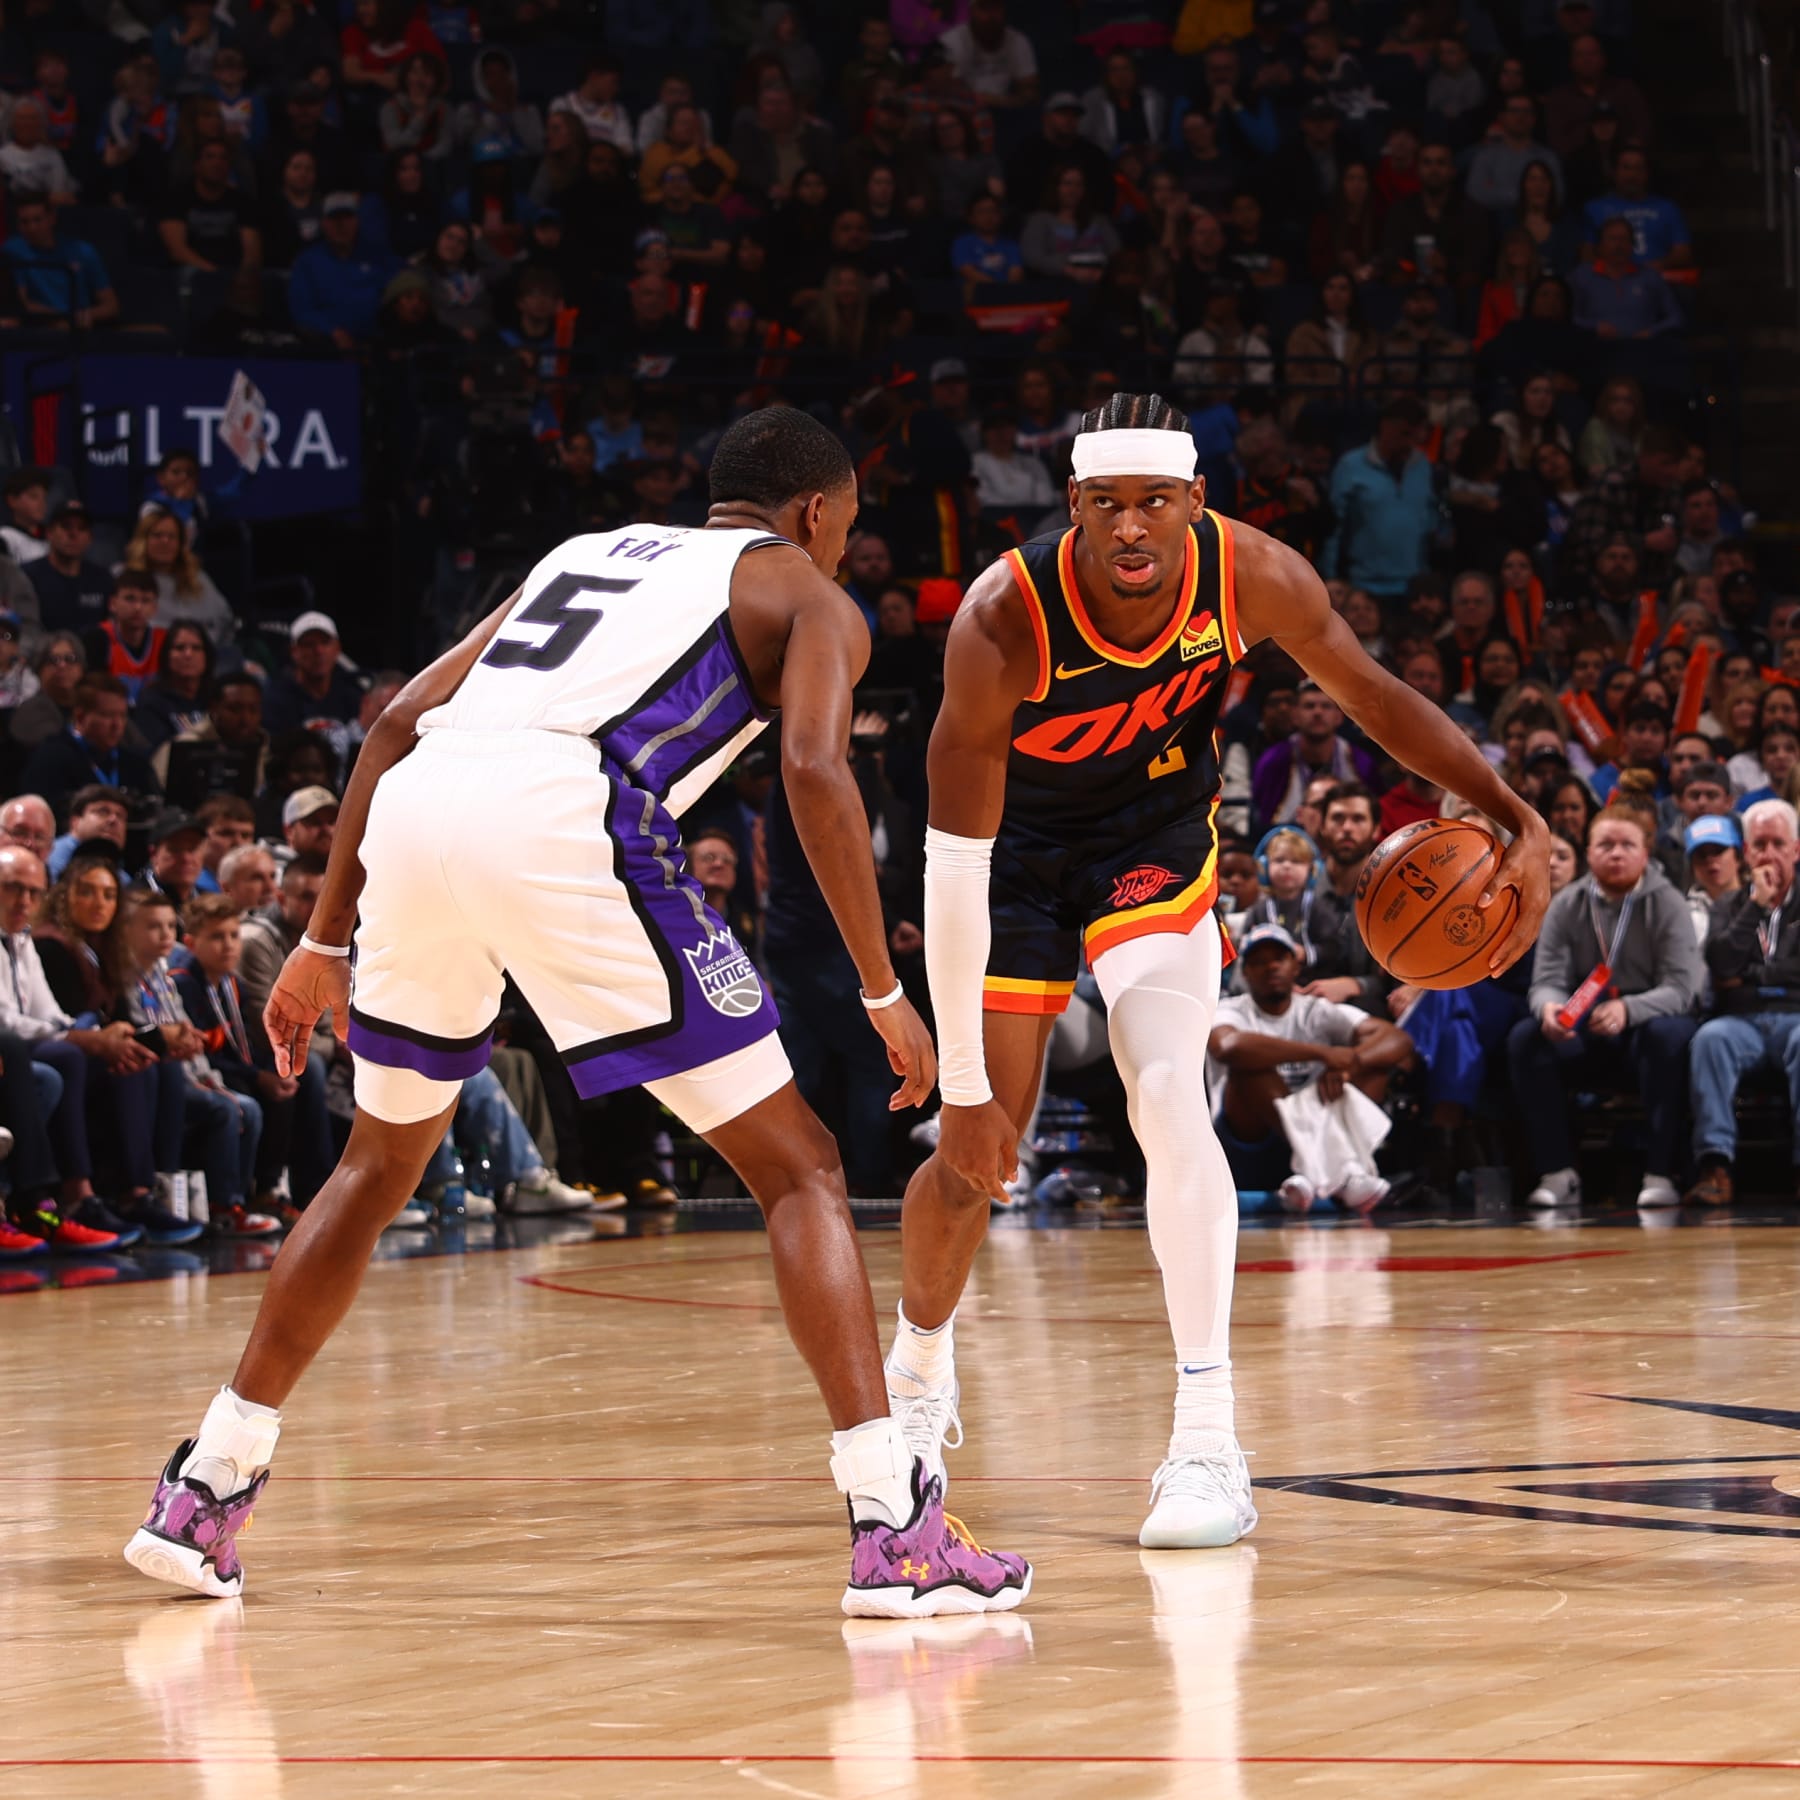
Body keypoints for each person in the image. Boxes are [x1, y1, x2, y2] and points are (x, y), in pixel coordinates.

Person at [125, 406, 1029, 1618]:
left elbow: (394, 723)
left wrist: (321, 939)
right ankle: (893, 1528)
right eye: (849, 525)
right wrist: (881, 989)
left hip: (426, 804)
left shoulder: (582, 551)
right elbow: (816, 772)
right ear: (817, 512)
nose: (845, 548)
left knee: (377, 1163)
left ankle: (207, 1487)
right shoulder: (813, 599)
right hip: (572, 813)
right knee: (801, 1167)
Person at [889, 390, 1549, 1553]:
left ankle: (1207, 1436)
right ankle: (918, 1382)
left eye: (1156, 504)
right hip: (1011, 859)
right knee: (975, 1151)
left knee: (1165, 1096)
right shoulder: (1002, 615)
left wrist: (1508, 808)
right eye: (1107, 507)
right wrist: (962, 1088)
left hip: (1152, 841)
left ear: (1197, 503)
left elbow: (1376, 697)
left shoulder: (1252, 576)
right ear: (1073, 510)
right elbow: (951, 867)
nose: (1132, 529)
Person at [1508, 802, 1702, 1209]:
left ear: (1646, 852)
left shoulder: (1667, 903)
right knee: (1527, 1039)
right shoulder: (1566, 904)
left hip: (1644, 1027)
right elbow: (1546, 981)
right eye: (1606, 844)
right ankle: (1557, 1172)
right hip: (1587, 1026)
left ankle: (1661, 1171)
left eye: (1627, 845)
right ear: (1588, 851)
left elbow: (1682, 988)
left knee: (1668, 1036)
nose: (1616, 853)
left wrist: (1629, 1010)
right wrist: (1549, 1010)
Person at [1210, 923, 1413, 1211]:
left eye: (1278, 959)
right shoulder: (1231, 1008)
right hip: (1255, 1144)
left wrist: (1351, 1063)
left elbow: (1397, 1040)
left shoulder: (1315, 1010)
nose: (1270, 967)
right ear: (1244, 973)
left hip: (1319, 1134)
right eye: (1258, 962)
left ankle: (1314, 1170)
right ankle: (1340, 1171)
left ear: (1295, 966)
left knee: (1373, 1064)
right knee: (1250, 1067)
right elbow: (1227, 1046)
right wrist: (1326, 1055)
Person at [1685, 799, 1800, 1206]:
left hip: (1795, 1018)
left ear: (1796, 849)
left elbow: (1741, 972)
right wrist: (1754, 906)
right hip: (1742, 1020)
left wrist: (1750, 976)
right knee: (1710, 1040)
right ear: (1747, 852)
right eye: (1759, 844)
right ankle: (1716, 1167)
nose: (1768, 853)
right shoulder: (1729, 906)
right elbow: (1719, 964)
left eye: (1777, 843)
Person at [22, 674, 161, 823]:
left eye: (122, 715)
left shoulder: (134, 762)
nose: (117, 725)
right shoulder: (50, 759)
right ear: (80, 717)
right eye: (107, 715)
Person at [3, 195, 120, 329]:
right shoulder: (12, 252)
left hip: (80, 330)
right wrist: (58, 318)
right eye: (24, 222)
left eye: (38, 220)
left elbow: (111, 306)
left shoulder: (83, 251)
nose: (32, 228)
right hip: (38, 329)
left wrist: (79, 317)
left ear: (52, 218)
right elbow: (21, 303)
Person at [262, 611, 364, 736]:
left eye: (325, 642)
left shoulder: (353, 698)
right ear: (294, 651)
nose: (318, 651)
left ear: (337, 648)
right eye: (308, 644)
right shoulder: (275, 700)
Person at [26, 501, 112, 636]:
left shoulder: (103, 579)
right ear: (49, 533)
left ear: (90, 538)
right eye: (66, 526)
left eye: (82, 528)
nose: (73, 534)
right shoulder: (28, 576)